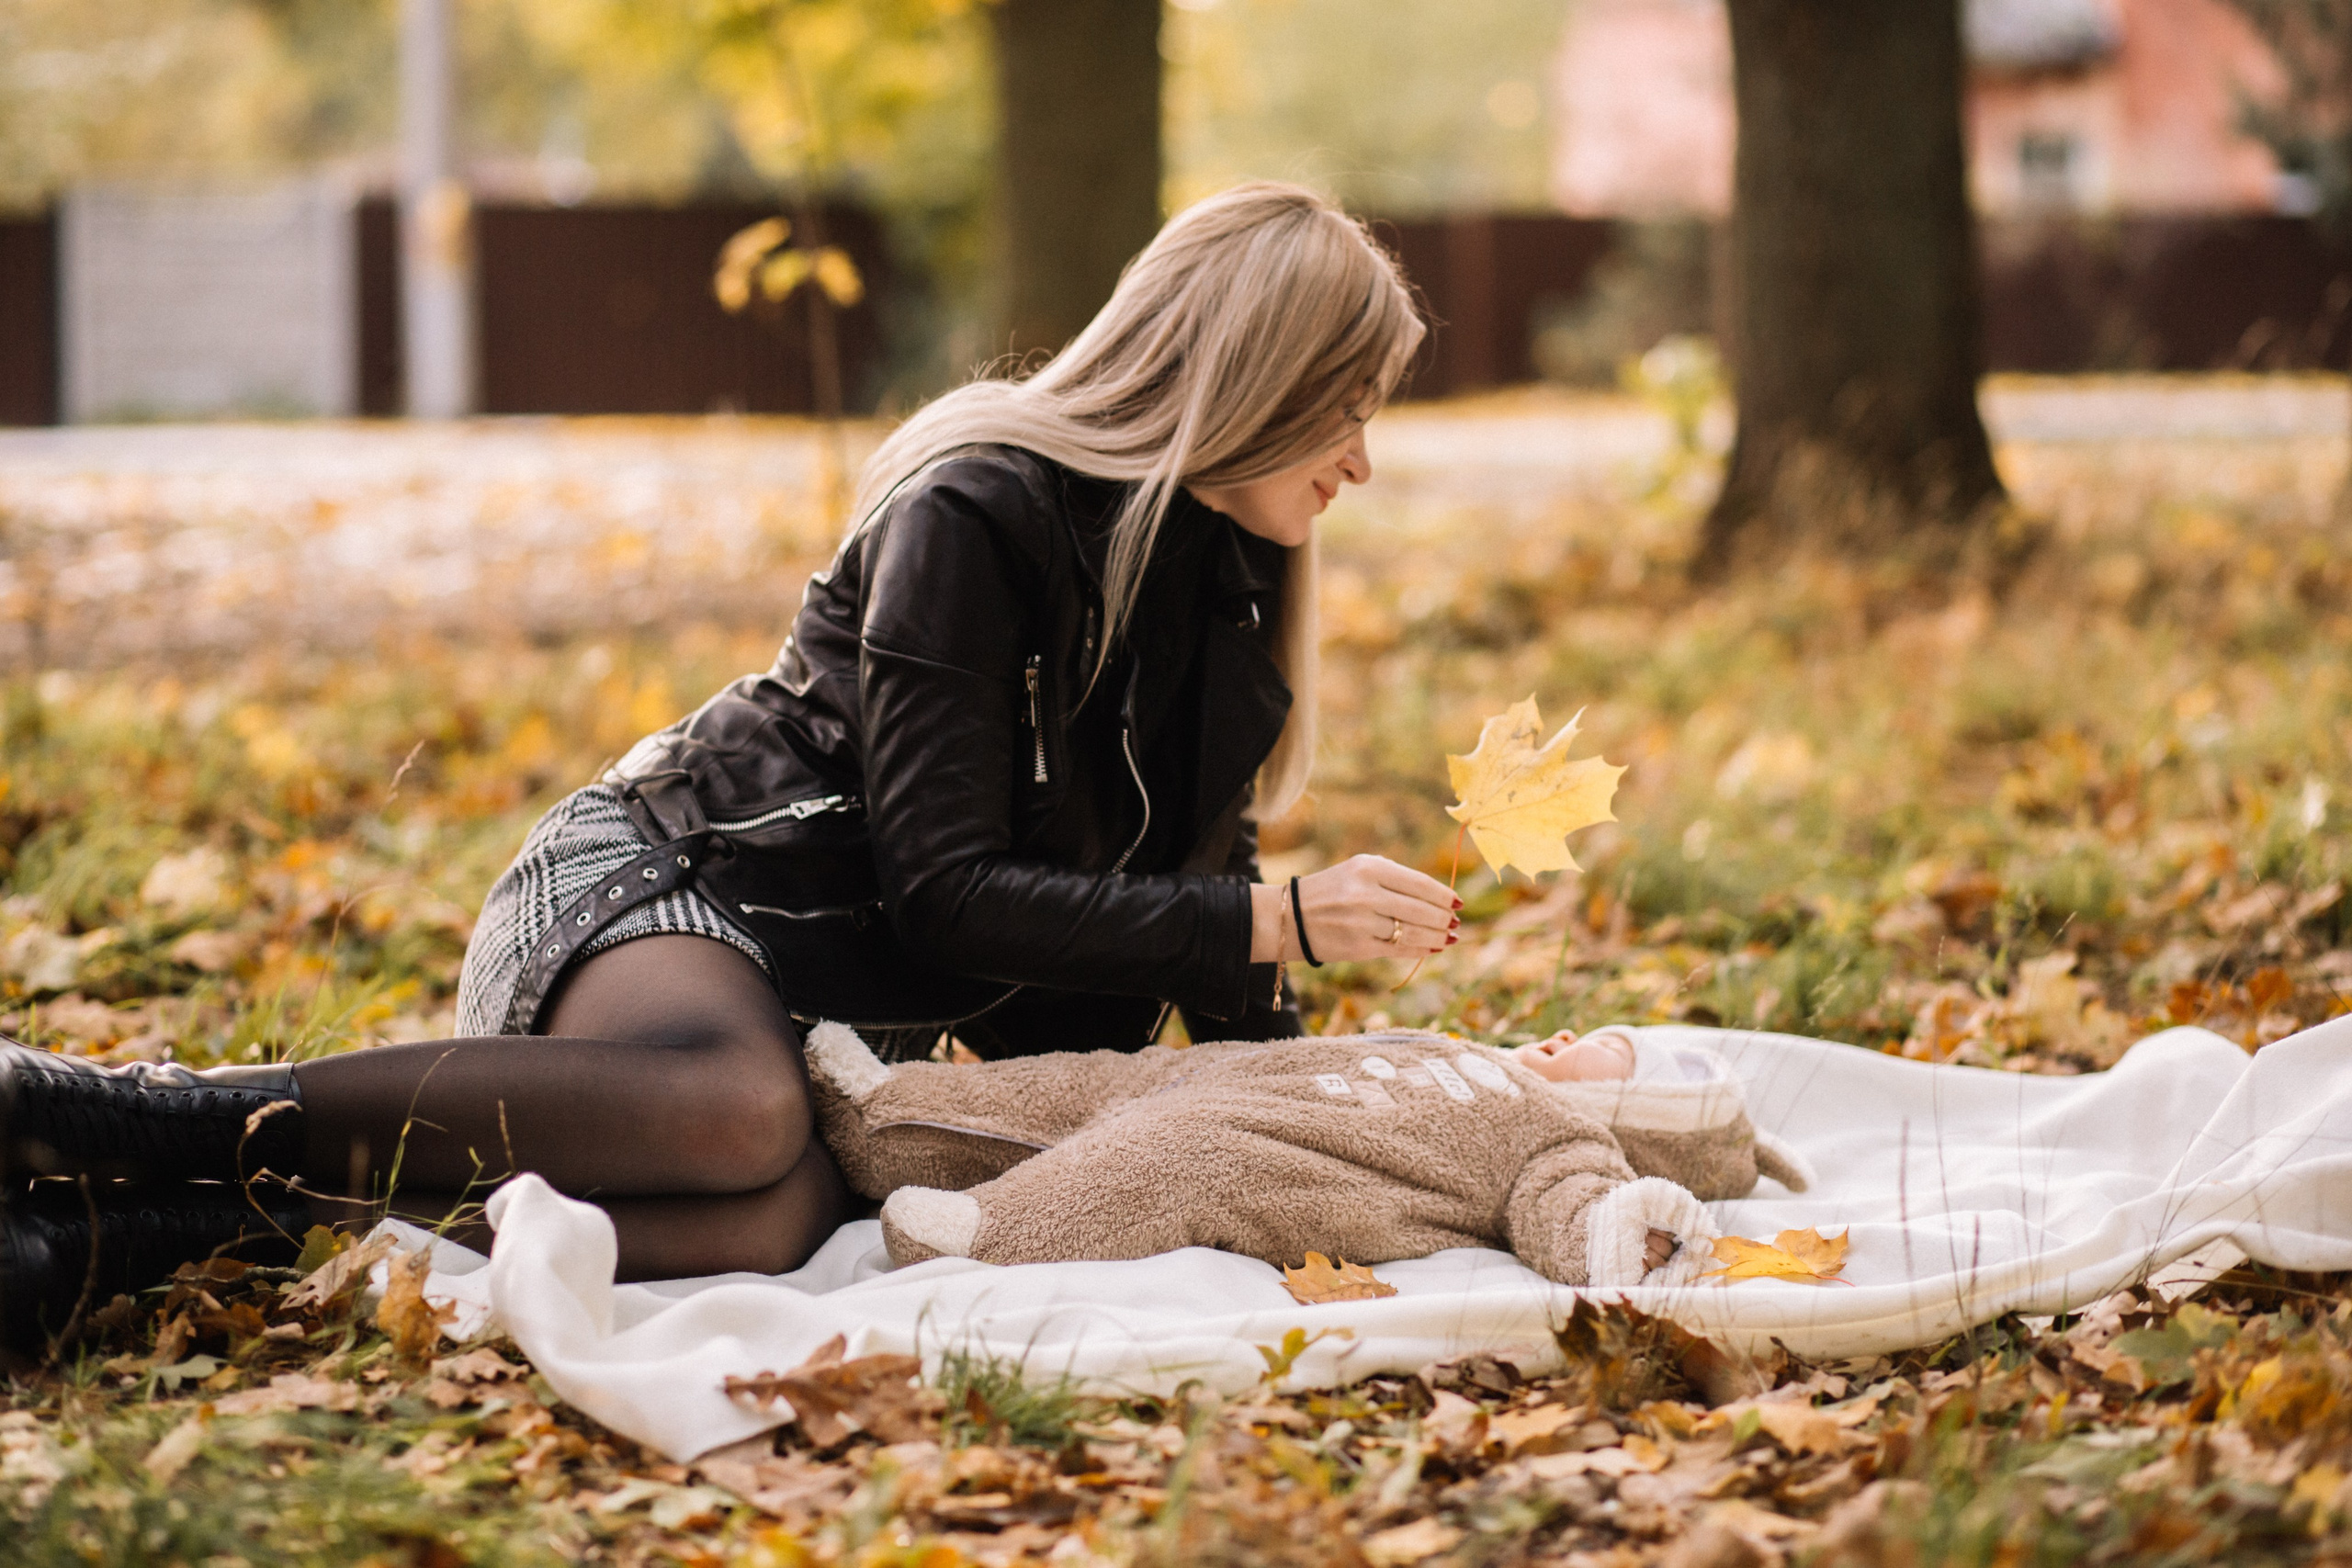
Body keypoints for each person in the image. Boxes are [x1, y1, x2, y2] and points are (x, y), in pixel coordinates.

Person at [0, 184, 1461, 1352]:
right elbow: (952, 890)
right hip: (673, 885)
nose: (1361, 463)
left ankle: (128, 1240)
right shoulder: (979, 509)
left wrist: (1340, 1114)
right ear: (1258, 373)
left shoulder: (1233, 589)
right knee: (735, 1114)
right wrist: (1278, 916)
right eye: (1349, 407)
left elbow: (1193, 927)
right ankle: (118, 1109)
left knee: (778, 1215)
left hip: (829, 1008)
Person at [804, 1023, 1815, 1287]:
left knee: (1178, 1161)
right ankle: (892, 1111)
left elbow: (1570, 1204)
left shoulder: (1562, 1132)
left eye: (1607, 1054)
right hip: (1259, 1076)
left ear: (1634, 1112)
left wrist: (1622, 1229)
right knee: (1102, 1083)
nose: (1569, 1040)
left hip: (1302, 1158)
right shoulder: (1466, 1051)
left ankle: (993, 1232)